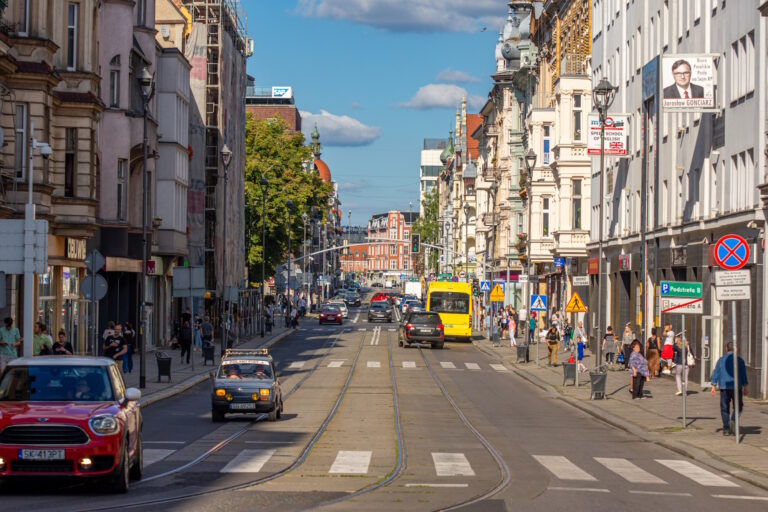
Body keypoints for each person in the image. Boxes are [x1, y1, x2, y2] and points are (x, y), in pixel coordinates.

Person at [711, 342, 748, 436]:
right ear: (736, 349)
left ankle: (726, 428)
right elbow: (743, 374)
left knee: (724, 407)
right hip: (737, 386)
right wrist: (745, 386)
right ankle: (733, 420)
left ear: (726, 349)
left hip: (724, 386)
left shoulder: (721, 360)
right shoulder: (739, 360)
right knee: (738, 406)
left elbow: (716, 372)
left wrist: (713, 385)